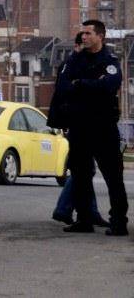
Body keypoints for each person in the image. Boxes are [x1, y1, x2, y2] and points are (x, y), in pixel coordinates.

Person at [47, 19, 128, 236]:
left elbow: (110, 85)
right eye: (82, 33)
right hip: (80, 126)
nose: (83, 37)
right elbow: (63, 86)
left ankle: (118, 221)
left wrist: (80, 84)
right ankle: (84, 220)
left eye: (88, 33)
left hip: (103, 127)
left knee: (113, 177)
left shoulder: (109, 59)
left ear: (100, 36)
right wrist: (91, 84)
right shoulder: (75, 59)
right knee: (80, 175)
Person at [51, 32, 106, 226]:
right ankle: (65, 208)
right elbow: (69, 92)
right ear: (77, 47)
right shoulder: (73, 65)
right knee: (83, 170)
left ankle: (89, 211)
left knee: (85, 170)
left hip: (81, 121)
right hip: (78, 122)